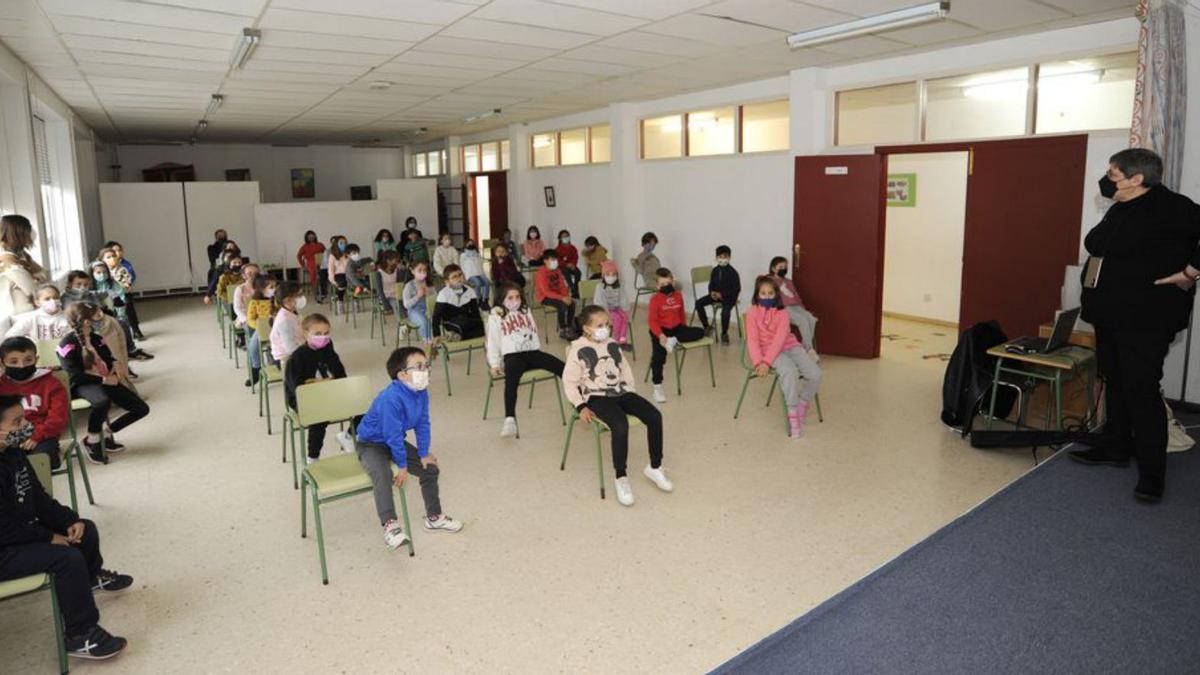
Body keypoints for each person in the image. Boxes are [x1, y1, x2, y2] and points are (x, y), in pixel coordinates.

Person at [1069, 148, 1200, 503]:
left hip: (1146, 318)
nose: (1106, 179)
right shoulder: (1122, 207)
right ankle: (1115, 447)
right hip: (1109, 313)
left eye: (1112, 174)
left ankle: (1152, 474)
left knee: (1141, 390)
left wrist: (1190, 272)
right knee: (1114, 381)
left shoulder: (1176, 208)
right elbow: (1098, 245)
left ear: (1136, 179)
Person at [0, 394, 132, 661]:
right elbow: (3, 528)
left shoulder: (14, 454)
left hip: (17, 533)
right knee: (66, 558)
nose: (25, 425)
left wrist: (68, 521)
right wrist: (49, 537)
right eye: (17, 422)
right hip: (4, 546)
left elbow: (39, 500)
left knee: (85, 529)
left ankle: (90, 578)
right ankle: (79, 634)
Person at [355, 346, 464, 550]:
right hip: (371, 444)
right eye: (419, 366)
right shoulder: (391, 399)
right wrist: (403, 465)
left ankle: (434, 517)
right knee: (383, 473)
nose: (425, 370)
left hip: (393, 441)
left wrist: (423, 453)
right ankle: (390, 526)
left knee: (430, 469)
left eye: (426, 365)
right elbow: (392, 435)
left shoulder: (420, 392)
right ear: (403, 374)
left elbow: (423, 423)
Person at [563, 305, 672, 506]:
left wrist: (630, 392)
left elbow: (625, 369)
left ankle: (655, 467)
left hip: (621, 391)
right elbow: (569, 383)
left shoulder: (612, 343)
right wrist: (580, 406)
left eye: (607, 324)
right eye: (599, 325)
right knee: (620, 425)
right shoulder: (577, 349)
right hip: (597, 397)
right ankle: (621, 477)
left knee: (655, 416)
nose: (605, 328)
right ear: (587, 328)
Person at [57, 303, 149, 464]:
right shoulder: (67, 344)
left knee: (141, 408)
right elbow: (74, 376)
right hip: (82, 384)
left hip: (105, 379)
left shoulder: (97, 338)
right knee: (102, 401)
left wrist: (115, 363)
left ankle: (105, 435)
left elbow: (107, 356)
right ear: (85, 321)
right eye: (93, 316)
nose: (98, 318)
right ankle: (92, 441)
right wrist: (104, 379)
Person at [485, 283, 565, 438]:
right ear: (502, 299)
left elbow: (533, 331)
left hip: (532, 352)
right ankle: (510, 420)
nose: (515, 300)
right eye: (510, 298)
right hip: (512, 356)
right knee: (511, 381)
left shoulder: (525, 310)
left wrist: (535, 349)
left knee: (562, 367)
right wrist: (494, 364)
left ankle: (582, 403)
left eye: (517, 297)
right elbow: (492, 342)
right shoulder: (495, 316)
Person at [747, 276, 822, 439]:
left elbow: (780, 339)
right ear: (757, 294)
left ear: (776, 295)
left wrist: (767, 363)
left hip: (789, 346)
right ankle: (793, 412)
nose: (767, 297)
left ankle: (803, 404)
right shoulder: (752, 313)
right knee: (789, 371)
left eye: (770, 293)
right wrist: (760, 361)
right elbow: (752, 341)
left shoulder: (783, 313)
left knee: (815, 374)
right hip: (768, 351)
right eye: (763, 293)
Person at [284, 314, 355, 463]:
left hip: (330, 393)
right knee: (320, 418)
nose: (323, 337)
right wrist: (318, 384)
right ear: (305, 333)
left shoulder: (328, 348)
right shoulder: (297, 358)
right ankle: (312, 457)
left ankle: (348, 436)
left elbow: (341, 375)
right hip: (305, 399)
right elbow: (297, 389)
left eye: (326, 333)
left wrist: (330, 384)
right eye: (317, 334)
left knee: (367, 407)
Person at [0, 338, 68, 469]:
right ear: (2, 364)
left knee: (39, 461)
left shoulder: (51, 384)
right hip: (8, 435)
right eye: (13, 362)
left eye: (28, 360)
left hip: (43, 435)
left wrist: (37, 435)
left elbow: (58, 418)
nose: (21, 366)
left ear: (36, 360)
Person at [647, 267, 705, 403]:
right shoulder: (655, 299)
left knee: (700, 332)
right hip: (661, 330)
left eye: (668, 284)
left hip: (677, 329)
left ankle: (673, 340)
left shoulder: (678, 295)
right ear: (657, 286)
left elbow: (681, 314)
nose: (665, 287)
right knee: (658, 357)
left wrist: (684, 331)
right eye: (662, 285)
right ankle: (657, 387)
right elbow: (652, 321)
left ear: (672, 282)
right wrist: (661, 336)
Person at [0, 215, 49, 318]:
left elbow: (44, 274)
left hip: (31, 308)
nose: (32, 232)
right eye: (28, 229)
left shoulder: (21, 253)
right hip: (19, 312)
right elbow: (31, 288)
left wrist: (34, 278)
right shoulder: (6, 257)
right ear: (18, 232)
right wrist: (34, 278)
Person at [694, 245, 741, 345]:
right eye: (720, 257)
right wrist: (712, 292)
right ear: (716, 258)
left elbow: (736, 289)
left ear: (729, 258)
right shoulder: (715, 270)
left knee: (725, 312)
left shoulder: (733, 272)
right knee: (698, 303)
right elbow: (711, 284)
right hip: (715, 296)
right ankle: (707, 327)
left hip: (729, 298)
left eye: (725, 257)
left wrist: (722, 294)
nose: (722, 259)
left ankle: (724, 333)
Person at [769, 256, 818, 348]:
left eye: (785, 267)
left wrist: (804, 309)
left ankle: (805, 347)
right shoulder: (770, 281)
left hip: (796, 307)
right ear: (773, 268)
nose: (783, 269)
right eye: (780, 267)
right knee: (803, 321)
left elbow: (796, 296)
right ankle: (809, 349)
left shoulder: (789, 281)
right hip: (783, 308)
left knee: (812, 319)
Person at [100, 242, 143, 340]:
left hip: (122, 293)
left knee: (128, 306)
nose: (117, 254)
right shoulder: (100, 269)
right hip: (106, 296)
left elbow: (128, 280)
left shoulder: (123, 266)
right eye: (110, 255)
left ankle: (135, 329)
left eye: (119, 251)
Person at [432, 265, 484, 341]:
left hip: (465, 318)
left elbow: (475, 312)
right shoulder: (443, 294)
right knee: (462, 327)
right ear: (447, 281)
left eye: (460, 274)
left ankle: (457, 337)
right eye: (454, 277)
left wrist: (480, 324)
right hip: (450, 321)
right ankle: (454, 335)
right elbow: (436, 316)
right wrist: (436, 335)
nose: (459, 278)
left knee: (481, 328)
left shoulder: (470, 291)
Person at [535, 250, 578, 340]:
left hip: (557, 295)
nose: (555, 261)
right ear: (545, 261)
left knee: (572, 303)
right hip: (545, 297)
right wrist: (562, 298)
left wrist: (566, 296)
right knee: (562, 305)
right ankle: (562, 330)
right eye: (552, 259)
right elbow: (546, 291)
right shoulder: (541, 273)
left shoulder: (557, 270)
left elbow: (562, 285)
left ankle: (569, 327)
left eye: (556, 259)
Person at [244, 274, 277, 388]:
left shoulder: (277, 300)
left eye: (275, 286)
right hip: (261, 330)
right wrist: (259, 326)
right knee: (252, 347)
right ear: (262, 289)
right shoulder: (255, 302)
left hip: (276, 329)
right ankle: (256, 368)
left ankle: (276, 364)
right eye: (271, 287)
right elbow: (250, 319)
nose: (274, 289)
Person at [592, 260, 631, 349]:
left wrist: (624, 309)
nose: (611, 277)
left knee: (625, 317)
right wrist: (607, 315)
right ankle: (615, 341)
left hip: (616, 308)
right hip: (604, 310)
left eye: (614, 275)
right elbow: (600, 303)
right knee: (616, 319)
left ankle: (622, 340)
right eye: (608, 275)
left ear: (617, 276)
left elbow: (623, 300)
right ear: (603, 276)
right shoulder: (600, 287)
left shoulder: (619, 285)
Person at [402, 261, 435, 352]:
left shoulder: (429, 284)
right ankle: (427, 342)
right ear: (412, 271)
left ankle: (433, 341)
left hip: (428, 308)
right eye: (419, 270)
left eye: (424, 270)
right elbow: (406, 305)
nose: (423, 272)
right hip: (414, 310)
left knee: (433, 320)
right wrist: (418, 296)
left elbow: (435, 299)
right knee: (423, 322)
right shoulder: (409, 286)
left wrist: (429, 294)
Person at [269, 282, 306, 364]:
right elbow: (290, 348)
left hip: (295, 352)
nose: (302, 298)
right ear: (287, 300)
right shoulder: (284, 321)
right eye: (299, 295)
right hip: (286, 359)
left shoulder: (292, 312)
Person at [296, 230, 326, 303]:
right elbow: (299, 255)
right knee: (314, 272)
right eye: (309, 237)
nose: (311, 238)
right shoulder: (305, 246)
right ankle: (315, 291)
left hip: (320, 261)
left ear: (315, 236)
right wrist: (303, 265)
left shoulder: (320, 244)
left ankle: (324, 290)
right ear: (307, 238)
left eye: (313, 236)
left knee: (324, 272)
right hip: (310, 262)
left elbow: (325, 253)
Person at [459, 240, 490, 310]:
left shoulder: (477, 254)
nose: (470, 244)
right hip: (470, 274)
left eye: (472, 243)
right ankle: (478, 300)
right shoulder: (463, 255)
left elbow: (481, 264)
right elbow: (462, 266)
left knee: (487, 282)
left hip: (480, 273)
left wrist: (484, 274)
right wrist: (463, 277)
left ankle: (485, 300)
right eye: (468, 243)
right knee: (478, 283)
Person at [373, 251, 404, 317]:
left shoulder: (397, 270)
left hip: (397, 295)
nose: (397, 262)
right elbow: (379, 291)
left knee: (407, 304)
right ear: (388, 261)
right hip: (386, 297)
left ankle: (405, 322)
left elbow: (401, 284)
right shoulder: (379, 273)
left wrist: (401, 271)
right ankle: (402, 325)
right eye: (395, 260)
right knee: (396, 304)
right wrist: (386, 305)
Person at [554, 229, 581, 298]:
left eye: (567, 236)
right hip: (562, 266)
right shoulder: (557, 249)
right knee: (566, 272)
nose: (565, 238)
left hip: (571, 265)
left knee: (578, 273)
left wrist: (573, 264)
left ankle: (576, 289)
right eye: (563, 237)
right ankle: (572, 288)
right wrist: (566, 264)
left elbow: (575, 257)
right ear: (560, 239)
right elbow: (557, 260)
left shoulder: (572, 248)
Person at [327, 235, 350, 310]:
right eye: (341, 243)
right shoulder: (332, 256)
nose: (343, 244)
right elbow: (330, 270)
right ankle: (340, 301)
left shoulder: (348, 254)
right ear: (336, 244)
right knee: (342, 283)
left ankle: (355, 300)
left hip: (349, 274)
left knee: (354, 282)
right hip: (338, 275)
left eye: (345, 243)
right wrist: (333, 281)